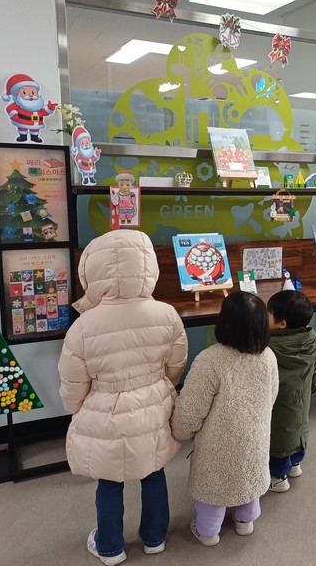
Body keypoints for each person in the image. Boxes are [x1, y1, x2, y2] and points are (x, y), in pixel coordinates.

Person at [58, 230, 187, 566]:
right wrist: (159, 388)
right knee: (153, 471)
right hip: (152, 407)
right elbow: (176, 365)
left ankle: (111, 547)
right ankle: (154, 539)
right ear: (147, 266)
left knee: (110, 480)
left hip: (105, 412)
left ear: (94, 270)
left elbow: (73, 380)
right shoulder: (167, 314)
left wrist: (76, 409)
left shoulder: (84, 326)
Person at [171, 291, 279, 547]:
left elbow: (191, 407)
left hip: (218, 443)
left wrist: (180, 430)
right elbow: (272, 396)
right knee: (248, 476)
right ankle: (245, 521)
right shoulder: (268, 357)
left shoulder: (210, 360)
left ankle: (208, 531)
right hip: (255, 438)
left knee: (214, 486)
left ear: (225, 322)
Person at [266, 290, 316, 493]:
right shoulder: (311, 339)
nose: (264, 315)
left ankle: (278, 477)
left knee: (278, 437)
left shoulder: (269, 346)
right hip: (302, 395)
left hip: (278, 401)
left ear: (282, 324)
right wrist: (312, 385)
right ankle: (295, 464)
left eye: (268, 312)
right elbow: (315, 368)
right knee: (298, 428)